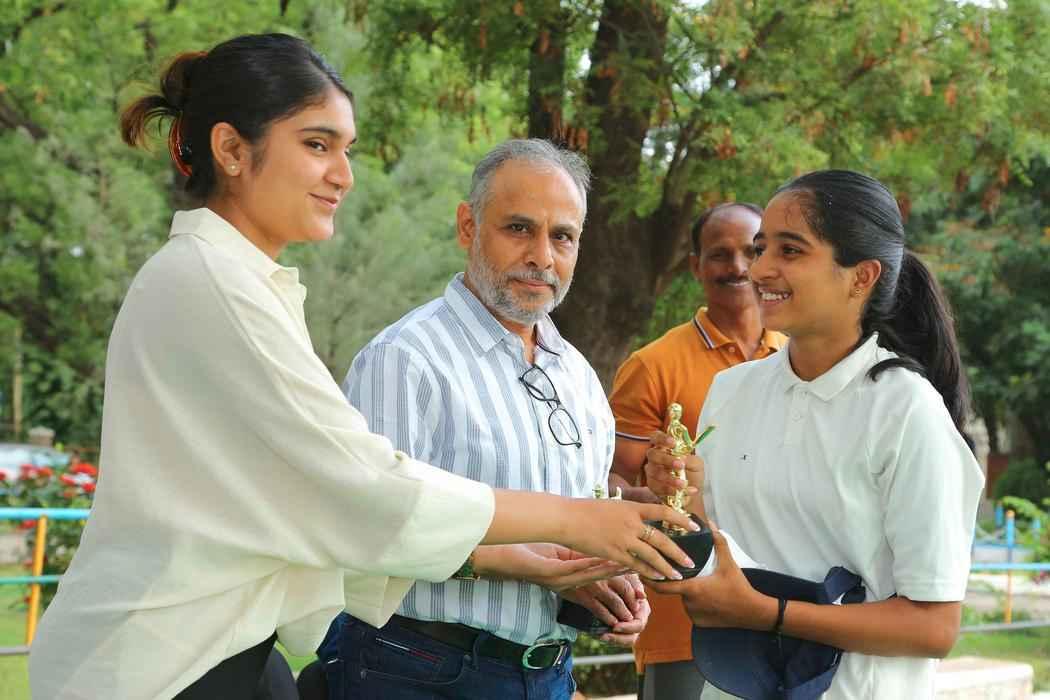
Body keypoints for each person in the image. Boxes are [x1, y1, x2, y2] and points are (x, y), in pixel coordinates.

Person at [26, 34, 696, 700]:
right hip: (165, 660)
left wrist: (552, 556)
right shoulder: (213, 285)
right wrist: (573, 521)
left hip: (225, 651)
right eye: (318, 144)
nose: (344, 174)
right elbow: (363, 485)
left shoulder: (238, 282)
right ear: (231, 150)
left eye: (346, 149)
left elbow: (312, 507)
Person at [314, 138, 655, 700]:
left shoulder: (579, 377)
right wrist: (512, 565)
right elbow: (362, 533)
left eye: (562, 236)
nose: (542, 256)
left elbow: (572, 535)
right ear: (468, 227)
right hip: (416, 669)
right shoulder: (405, 360)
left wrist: (599, 583)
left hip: (547, 675)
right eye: (519, 228)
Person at [645, 170, 984, 698]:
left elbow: (934, 627)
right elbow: (731, 551)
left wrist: (766, 612)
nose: (759, 269)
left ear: (861, 276)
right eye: (762, 248)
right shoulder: (732, 390)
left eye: (790, 250)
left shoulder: (904, 409)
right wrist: (681, 501)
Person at [607, 202, 785, 699]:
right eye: (720, 254)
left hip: (787, 616)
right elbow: (609, 486)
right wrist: (663, 494)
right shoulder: (653, 365)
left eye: (752, 251)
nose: (738, 267)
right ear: (695, 265)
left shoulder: (800, 359)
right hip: (684, 627)